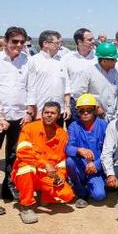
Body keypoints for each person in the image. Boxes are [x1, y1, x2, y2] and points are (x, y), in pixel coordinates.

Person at [12, 102, 75, 224]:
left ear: (58, 116)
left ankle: (44, 194)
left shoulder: (62, 134)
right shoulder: (29, 128)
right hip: (28, 171)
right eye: (46, 112)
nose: (49, 115)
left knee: (67, 195)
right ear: (42, 114)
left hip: (48, 174)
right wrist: (44, 164)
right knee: (27, 168)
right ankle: (26, 206)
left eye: (53, 113)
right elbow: (22, 152)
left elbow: (62, 161)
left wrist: (61, 176)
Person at [0, 27, 32, 202]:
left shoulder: (27, 61)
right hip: (1, 117)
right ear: (5, 41)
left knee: (14, 155)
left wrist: (28, 112)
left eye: (22, 42)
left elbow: (30, 88)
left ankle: (8, 189)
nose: (19, 45)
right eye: (15, 41)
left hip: (20, 117)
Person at [65, 94, 108, 208]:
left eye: (89, 110)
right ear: (77, 112)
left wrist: (96, 164)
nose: (85, 113)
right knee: (69, 161)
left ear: (95, 110)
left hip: (97, 167)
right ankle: (81, 192)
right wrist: (79, 150)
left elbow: (110, 151)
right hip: (81, 165)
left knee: (99, 196)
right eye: (81, 110)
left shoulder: (104, 125)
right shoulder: (74, 126)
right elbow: (68, 148)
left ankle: (92, 184)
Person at [26, 30, 71, 121]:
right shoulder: (33, 61)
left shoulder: (61, 61)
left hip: (59, 112)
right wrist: (35, 111)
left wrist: (67, 107)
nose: (59, 46)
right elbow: (30, 87)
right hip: (40, 113)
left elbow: (67, 87)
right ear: (45, 43)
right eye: (57, 43)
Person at [72, 42, 118, 121]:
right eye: (114, 59)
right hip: (94, 118)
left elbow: (117, 94)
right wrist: (95, 107)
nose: (116, 61)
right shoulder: (89, 72)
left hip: (112, 117)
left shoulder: (115, 72)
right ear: (104, 60)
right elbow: (79, 94)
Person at [62, 28, 96, 125]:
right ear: (79, 41)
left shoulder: (97, 59)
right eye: (89, 40)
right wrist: (67, 105)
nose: (93, 42)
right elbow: (65, 83)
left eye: (93, 39)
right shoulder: (67, 59)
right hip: (74, 103)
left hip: (93, 103)